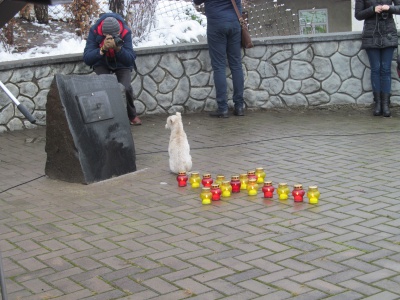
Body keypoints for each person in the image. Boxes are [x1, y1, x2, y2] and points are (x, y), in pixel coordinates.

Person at [83, 13, 142, 125]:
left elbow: (130, 59)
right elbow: (87, 58)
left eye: (114, 36)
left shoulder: (125, 31)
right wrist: (102, 49)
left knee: (126, 87)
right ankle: (105, 118)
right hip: (101, 61)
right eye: (107, 36)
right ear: (103, 33)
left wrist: (118, 48)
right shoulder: (95, 31)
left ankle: (132, 116)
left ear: (119, 32)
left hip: (121, 61)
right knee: (104, 86)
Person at [193, 0, 245, 118]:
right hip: (234, 23)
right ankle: (239, 107)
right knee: (236, 65)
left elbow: (196, 2)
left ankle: (223, 108)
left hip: (216, 25)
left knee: (219, 67)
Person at [355, 0, 400, 117]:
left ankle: (385, 105)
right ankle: (378, 104)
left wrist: (389, 8)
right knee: (376, 68)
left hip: (389, 35)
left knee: (386, 69)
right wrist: (372, 9)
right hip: (371, 36)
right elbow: (358, 15)